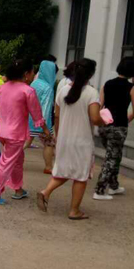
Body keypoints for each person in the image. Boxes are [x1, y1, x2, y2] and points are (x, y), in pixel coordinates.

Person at [37, 59, 106, 220]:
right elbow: (95, 118)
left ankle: (45, 192)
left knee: (64, 170)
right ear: (91, 74)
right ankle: (74, 211)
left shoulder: (63, 91)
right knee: (80, 176)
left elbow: (56, 116)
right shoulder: (91, 93)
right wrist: (105, 119)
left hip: (64, 139)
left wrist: (58, 136)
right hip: (82, 141)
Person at [0, 59, 45, 206]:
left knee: (17, 159)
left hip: (2, 132)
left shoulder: (2, 88)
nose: (33, 75)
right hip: (16, 134)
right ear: (26, 74)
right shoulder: (28, 91)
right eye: (33, 72)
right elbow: (36, 114)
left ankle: (18, 189)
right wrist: (46, 131)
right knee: (6, 163)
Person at [93, 56, 134, 200]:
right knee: (112, 158)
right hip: (118, 128)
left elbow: (100, 105)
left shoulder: (107, 84)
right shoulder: (132, 88)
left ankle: (113, 185)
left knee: (115, 156)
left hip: (105, 126)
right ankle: (99, 190)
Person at [26, 59, 57, 174]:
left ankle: (9, 158)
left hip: (29, 118)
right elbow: (46, 108)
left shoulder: (35, 83)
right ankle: (48, 167)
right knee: (49, 143)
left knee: (26, 142)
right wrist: (45, 126)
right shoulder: (48, 88)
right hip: (42, 122)